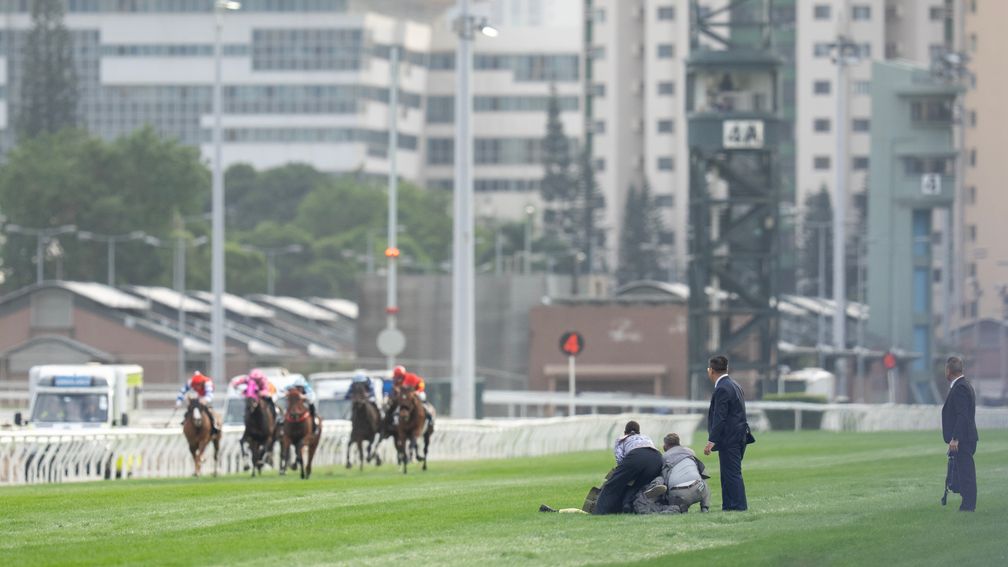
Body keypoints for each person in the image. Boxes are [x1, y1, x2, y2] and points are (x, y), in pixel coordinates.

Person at [703, 355, 749, 511]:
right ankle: (729, 506)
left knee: (732, 474)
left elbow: (720, 417)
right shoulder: (735, 385)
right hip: (739, 436)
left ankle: (738, 506)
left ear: (711, 370)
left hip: (730, 438)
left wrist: (711, 441)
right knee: (728, 474)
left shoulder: (722, 388)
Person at [593, 420, 663, 515]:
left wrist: (622, 475)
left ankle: (599, 512)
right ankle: (627, 505)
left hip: (636, 456)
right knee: (638, 486)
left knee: (613, 484)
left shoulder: (621, 439)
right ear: (639, 432)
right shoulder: (646, 437)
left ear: (625, 432)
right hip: (657, 458)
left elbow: (620, 459)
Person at [942, 356, 978, 512]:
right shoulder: (965, 385)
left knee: (966, 473)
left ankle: (968, 506)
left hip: (963, 438)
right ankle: (967, 504)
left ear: (949, 370)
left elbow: (962, 415)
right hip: (966, 437)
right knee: (964, 471)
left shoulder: (960, 388)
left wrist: (955, 438)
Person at [659, 433, 711, 513]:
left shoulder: (664, 457)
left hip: (678, 494)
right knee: (703, 481)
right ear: (679, 442)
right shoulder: (690, 452)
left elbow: (664, 479)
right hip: (698, 489)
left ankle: (680, 508)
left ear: (665, 445)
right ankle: (705, 508)